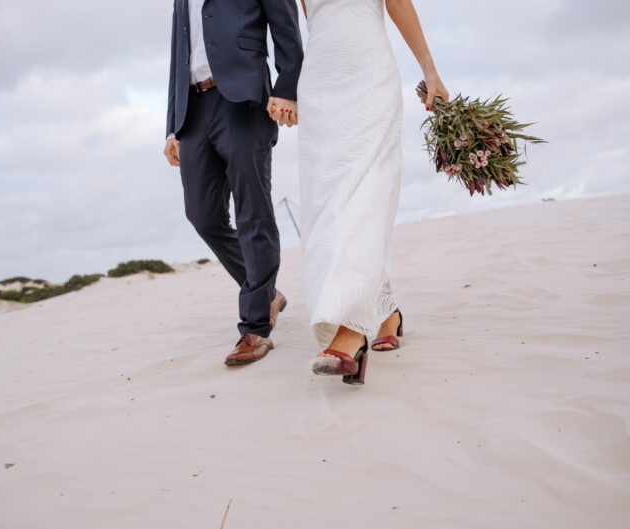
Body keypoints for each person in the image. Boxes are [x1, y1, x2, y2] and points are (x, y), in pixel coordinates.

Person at [286, 0, 448, 384]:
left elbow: (397, 3)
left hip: (368, 75)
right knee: (327, 205)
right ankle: (385, 308)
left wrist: (430, 71)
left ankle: (351, 329)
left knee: (366, 195)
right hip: (319, 85)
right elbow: (312, 19)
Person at [164, 0, 303, 366]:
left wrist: (287, 87)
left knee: (252, 211)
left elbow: (286, 26)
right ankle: (266, 293)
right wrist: (172, 127)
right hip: (193, 111)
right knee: (203, 215)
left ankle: (256, 328)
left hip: (243, 99)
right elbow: (179, 53)